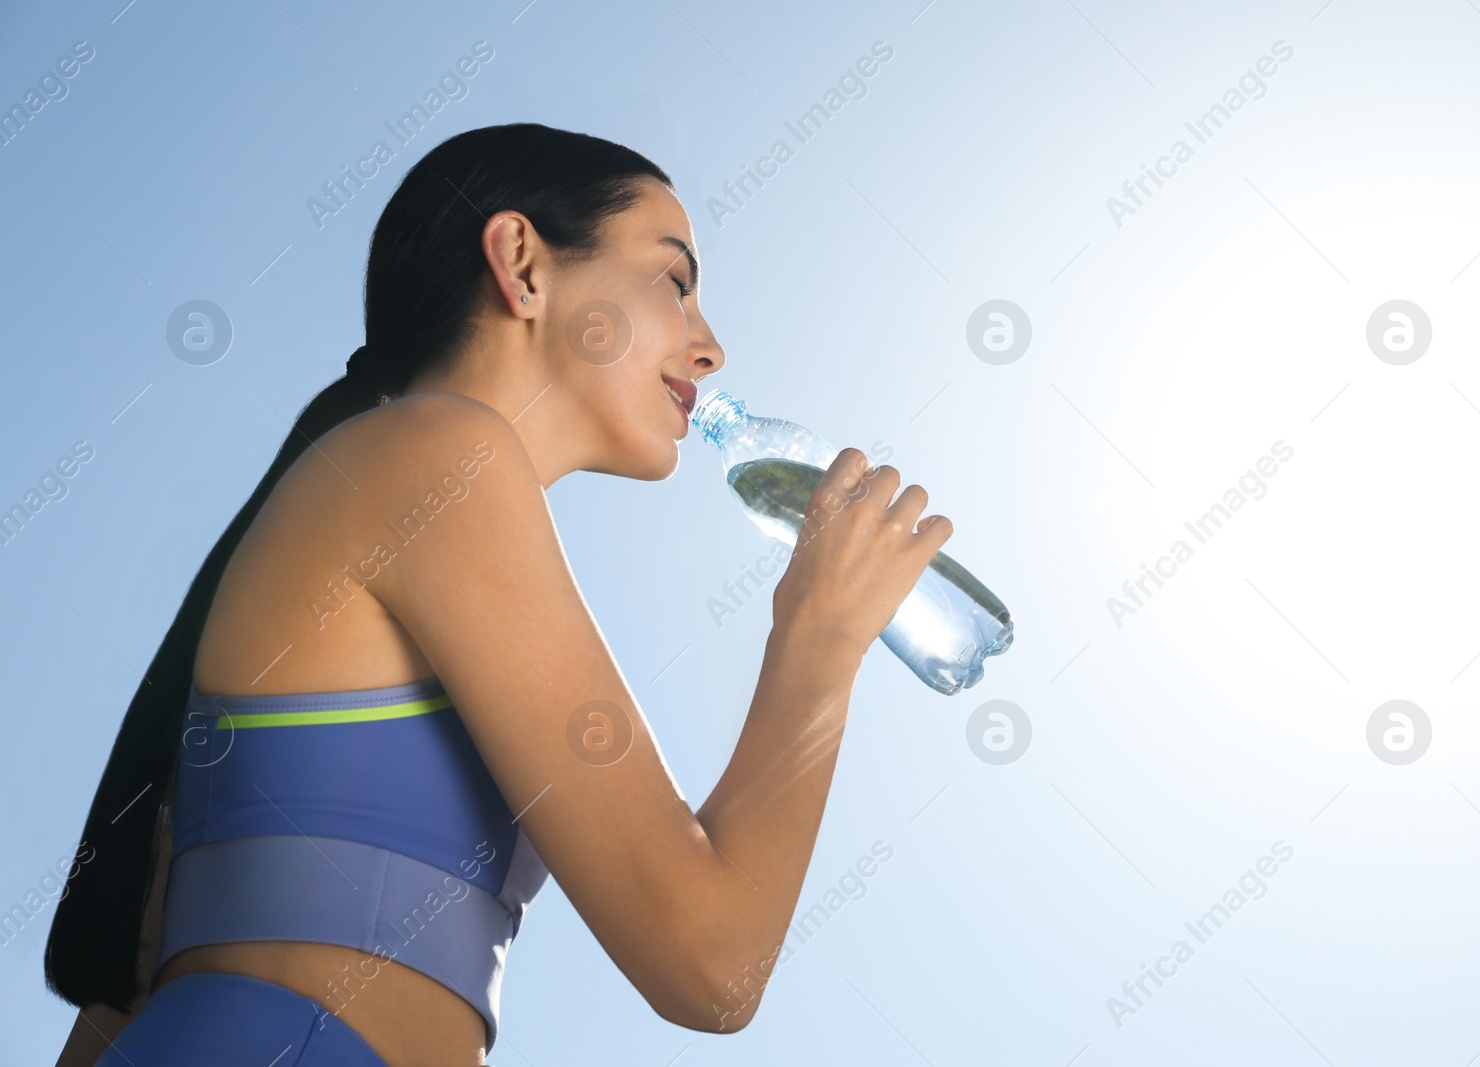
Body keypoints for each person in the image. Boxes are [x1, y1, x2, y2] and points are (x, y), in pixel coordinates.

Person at [44, 122, 953, 1067]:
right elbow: (709, 960)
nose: (711, 346)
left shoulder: (393, 478)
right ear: (522, 263)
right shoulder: (437, 456)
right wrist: (820, 639)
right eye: (675, 281)